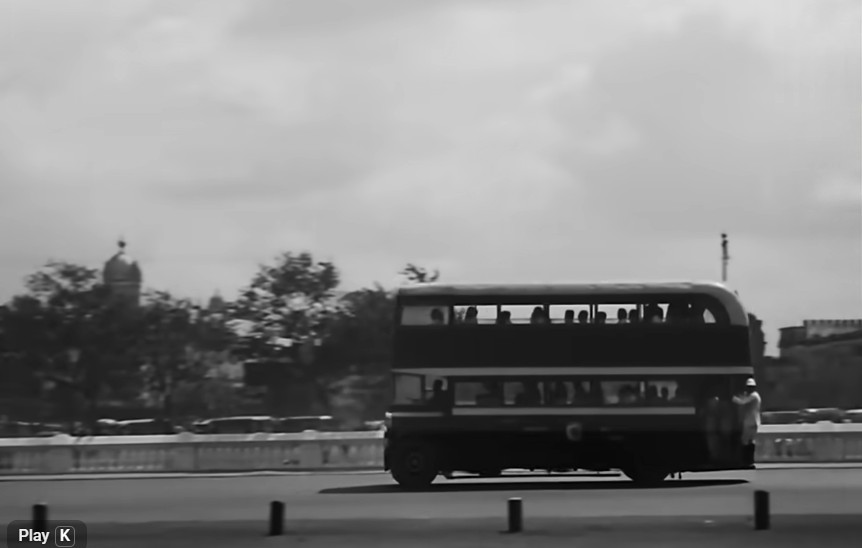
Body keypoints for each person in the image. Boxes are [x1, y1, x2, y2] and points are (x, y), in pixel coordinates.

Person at [733, 378, 762, 462]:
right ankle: (749, 460)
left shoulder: (754, 395)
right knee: (750, 441)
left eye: (751, 387)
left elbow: (742, 402)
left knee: (746, 441)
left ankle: (748, 460)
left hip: (750, 422)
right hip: (753, 421)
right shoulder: (753, 395)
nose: (749, 389)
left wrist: (733, 398)